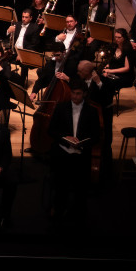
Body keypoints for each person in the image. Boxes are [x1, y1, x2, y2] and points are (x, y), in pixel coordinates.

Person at [47, 78, 101, 222]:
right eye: (73, 93)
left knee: (80, 189)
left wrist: (82, 144)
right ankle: (58, 210)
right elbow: (51, 130)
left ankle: (78, 215)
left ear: (84, 94)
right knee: (60, 187)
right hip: (63, 154)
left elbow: (96, 136)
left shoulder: (92, 111)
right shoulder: (61, 107)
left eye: (78, 94)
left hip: (81, 156)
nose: (74, 97)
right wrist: (66, 137)